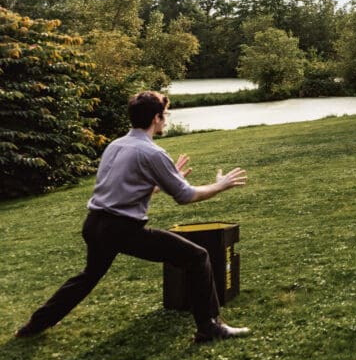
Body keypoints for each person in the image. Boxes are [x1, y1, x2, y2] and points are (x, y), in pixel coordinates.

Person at [15, 91, 251, 344]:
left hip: (94, 223)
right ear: (156, 118)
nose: (166, 120)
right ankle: (210, 327)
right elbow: (185, 196)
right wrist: (221, 185)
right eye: (165, 115)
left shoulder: (116, 145)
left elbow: (125, 186)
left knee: (88, 276)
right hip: (121, 229)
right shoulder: (152, 153)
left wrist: (166, 179)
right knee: (197, 256)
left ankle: (36, 323)